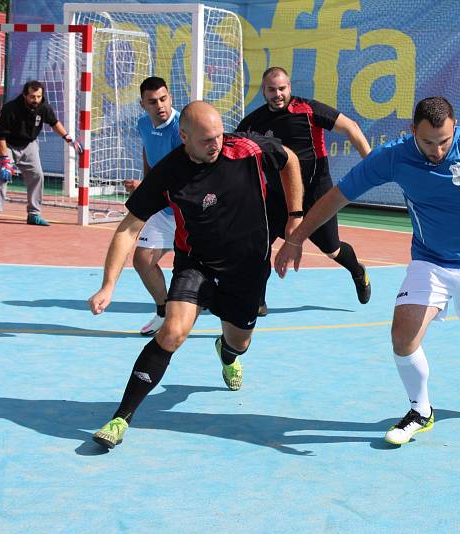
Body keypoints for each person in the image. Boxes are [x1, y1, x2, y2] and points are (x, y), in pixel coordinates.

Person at [274, 96, 460, 446]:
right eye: (428, 141)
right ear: (413, 131)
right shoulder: (393, 156)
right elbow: (337, 197)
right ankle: (421, 410)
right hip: (430, 263)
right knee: (402, 334)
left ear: (455, 128)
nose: (438, 150)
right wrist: (296, 238)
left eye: (444, 141)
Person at [88, 101, 303, 450]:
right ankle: (120, 417)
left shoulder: (245, 148)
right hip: (196, 265)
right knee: (172, 332)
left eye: (218, 135)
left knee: (240, 343)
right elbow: (128, 229)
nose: (216, 144)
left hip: (247, 270)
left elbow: (289, 159)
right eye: (206, 140)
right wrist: (108, 284)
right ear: (184, 137)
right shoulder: (169, 172)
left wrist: (295, 215)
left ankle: (226, 352)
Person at [236, 67, 372, 316]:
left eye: (282, 88)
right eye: (271, 89)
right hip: (278, 197)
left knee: (332, 249)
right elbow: (236, 154)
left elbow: (351, 127)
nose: (277, 94)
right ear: (263, 91)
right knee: (258, 245)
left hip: (317, 193)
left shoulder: (309, 109)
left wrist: (372, 163)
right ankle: (257, 300)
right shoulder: (253, 123)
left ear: (289, 87)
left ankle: (357, 270)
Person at [123, 77, 183, 336]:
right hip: (164, 207)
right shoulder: (143, 124)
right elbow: (149, 153)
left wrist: (151, 187)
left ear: (170, 97)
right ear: (142, 105)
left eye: (163, 99)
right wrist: (146, 184)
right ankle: (163, 312)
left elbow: (186, 173)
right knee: (142, 260)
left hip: (188, 209)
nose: (160, 105)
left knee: (203, 272)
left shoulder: (182, 127)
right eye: (152, 102)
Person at [0, 80, 83, 229]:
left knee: (37, 175)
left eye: (38, 96)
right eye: (32, 96)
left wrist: (69, 139)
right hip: (8, 144)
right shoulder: (11, 109)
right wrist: (5, 160)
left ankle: (34, 214)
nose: (36, 100)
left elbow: (54, 123)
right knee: (3, 176)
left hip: (29, 144)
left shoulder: (43, 107)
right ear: (25, 95)